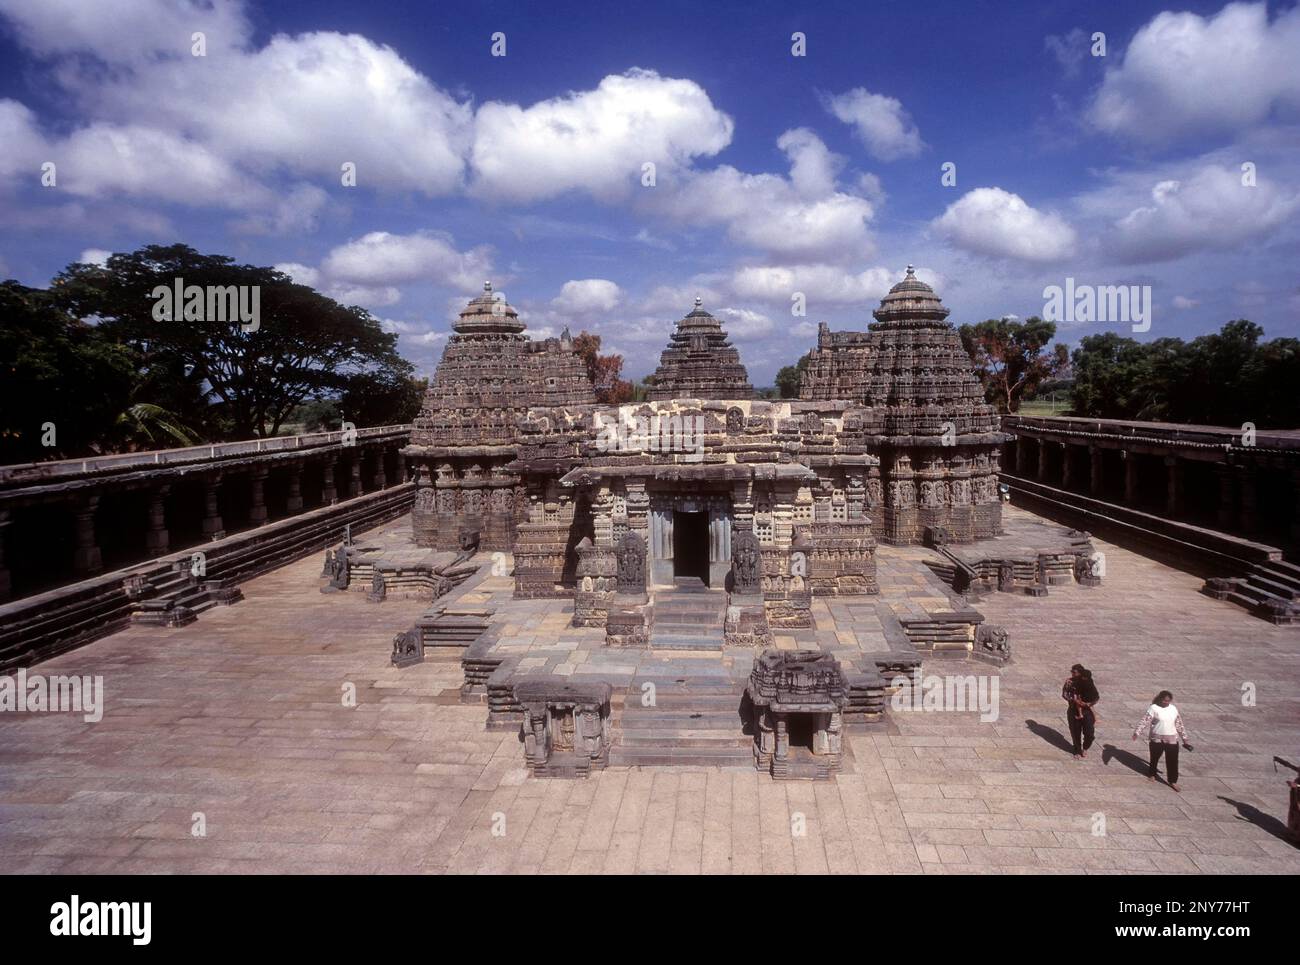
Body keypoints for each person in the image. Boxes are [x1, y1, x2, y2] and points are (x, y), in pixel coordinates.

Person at [1133, 691, 1191, 792]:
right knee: (1154, 758)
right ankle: (1152, 773)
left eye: (1168, 701)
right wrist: (1137, 732)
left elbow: (1179, 723)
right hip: (1157, 738)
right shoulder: (1154, 708)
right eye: (1164, 700)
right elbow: (1145, 720)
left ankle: (1173, 781)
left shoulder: (1173, 708)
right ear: (1160, 699)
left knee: (1173, 760)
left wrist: (1185, 739)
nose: (1166, 703)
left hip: (1172, 738)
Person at [1061, 664, 1099, 759]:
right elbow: (1064, 694)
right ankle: (1077, 749)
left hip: (1087, 710)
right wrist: (1074, 700)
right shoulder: (1069, 682)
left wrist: (1088, 704)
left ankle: (1085, 747)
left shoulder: (1088, 682)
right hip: (1073, 710)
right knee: (1075, 732)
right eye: (1072, 672)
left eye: (1074, 672)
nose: (1072, 674)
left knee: (1090, 733)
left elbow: (1096, 696)